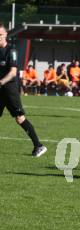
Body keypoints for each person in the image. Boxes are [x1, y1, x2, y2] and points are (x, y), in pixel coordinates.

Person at [0, 23, 47, 157]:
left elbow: (13, 72)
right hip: (0, 90)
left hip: (9, 90)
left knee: (19, 118)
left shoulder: (11, 51)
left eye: (0, 35)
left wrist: (1, 82)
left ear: (6, 35)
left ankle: (38, 146)